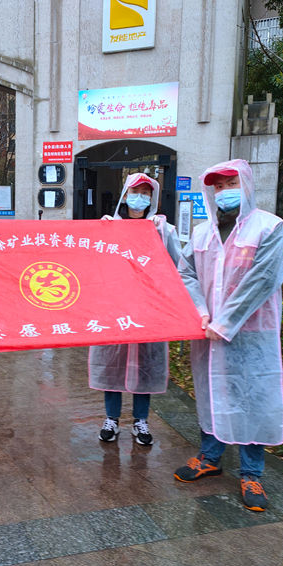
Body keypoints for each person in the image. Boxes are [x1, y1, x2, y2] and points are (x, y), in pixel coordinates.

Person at [174, 159, 283, 512]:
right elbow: (186, 273)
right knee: (211, 393)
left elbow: (263, 280)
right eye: (219, 186)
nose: (224, 192)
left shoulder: (270, 228)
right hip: (206, 330)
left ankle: (251, 473)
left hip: (251, 334)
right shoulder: (202, 233)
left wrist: (224, 323)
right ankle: (210, 457)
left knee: (252, 399)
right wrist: (202, 312)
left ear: (247, 185)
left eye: (231, 184)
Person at [90, 173, 181, 446]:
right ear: (125, 194)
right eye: (135, 191)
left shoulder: (163, 230)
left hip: (147, 309)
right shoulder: (108, 227)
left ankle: (141, 421)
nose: (139, 197)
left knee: (145, 365)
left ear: (152, 198)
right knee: (112, 363)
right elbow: (94, 266)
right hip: (114, 308)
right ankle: (112, 419)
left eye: (145, 192)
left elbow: (177, 267)